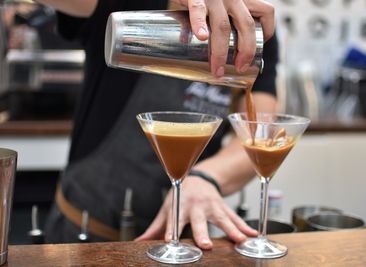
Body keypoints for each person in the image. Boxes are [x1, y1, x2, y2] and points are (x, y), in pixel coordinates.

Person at [37, 0, 279, 249]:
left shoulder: (250, 27)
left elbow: (258, 136)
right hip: (85, 238)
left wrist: (206, 177)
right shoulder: (128, 6)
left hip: (185, 241)